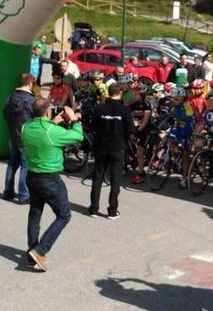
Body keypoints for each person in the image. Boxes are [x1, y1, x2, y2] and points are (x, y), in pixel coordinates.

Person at [22, 97, 85, 271]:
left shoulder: (25, 127)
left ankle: (31, 253)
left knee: (35, 214)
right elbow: (78, 136)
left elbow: (43, 131)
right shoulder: (51, 131)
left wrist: (53, 123)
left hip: (32, 176)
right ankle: (41, 249)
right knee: (64, 215)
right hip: (49, 179)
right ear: (47, 112)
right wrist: (74, 119)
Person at [89, 83, 135, 218]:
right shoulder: (125, 110)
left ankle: (93, 209)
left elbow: (94, 126)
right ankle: (112, 211)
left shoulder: (99, 108)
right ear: (120, 93)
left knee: (97, 177)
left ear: (108, 93)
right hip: (118, 147)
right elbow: (131, 130)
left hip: (101, 146)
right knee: (116, 180)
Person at [3, 73, 36, 203]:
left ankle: (8, 191)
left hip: (13, 134)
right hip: (26, 136)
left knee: (12, 163)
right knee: (25, 165)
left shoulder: (11, 97)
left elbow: (5, 113)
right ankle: (24, 195)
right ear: (29, 83)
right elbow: (36, 116)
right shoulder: (31, 99)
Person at [127, 83, 152, 184]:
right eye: (133, 93)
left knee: (139, 152)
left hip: (145, 129)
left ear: (141, 94)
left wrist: (136, 131)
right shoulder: (132, 103)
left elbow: (145, 120)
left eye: (136, 93)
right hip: (135, 127)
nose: (134, 95)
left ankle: (141, 173)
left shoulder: (146, 104)